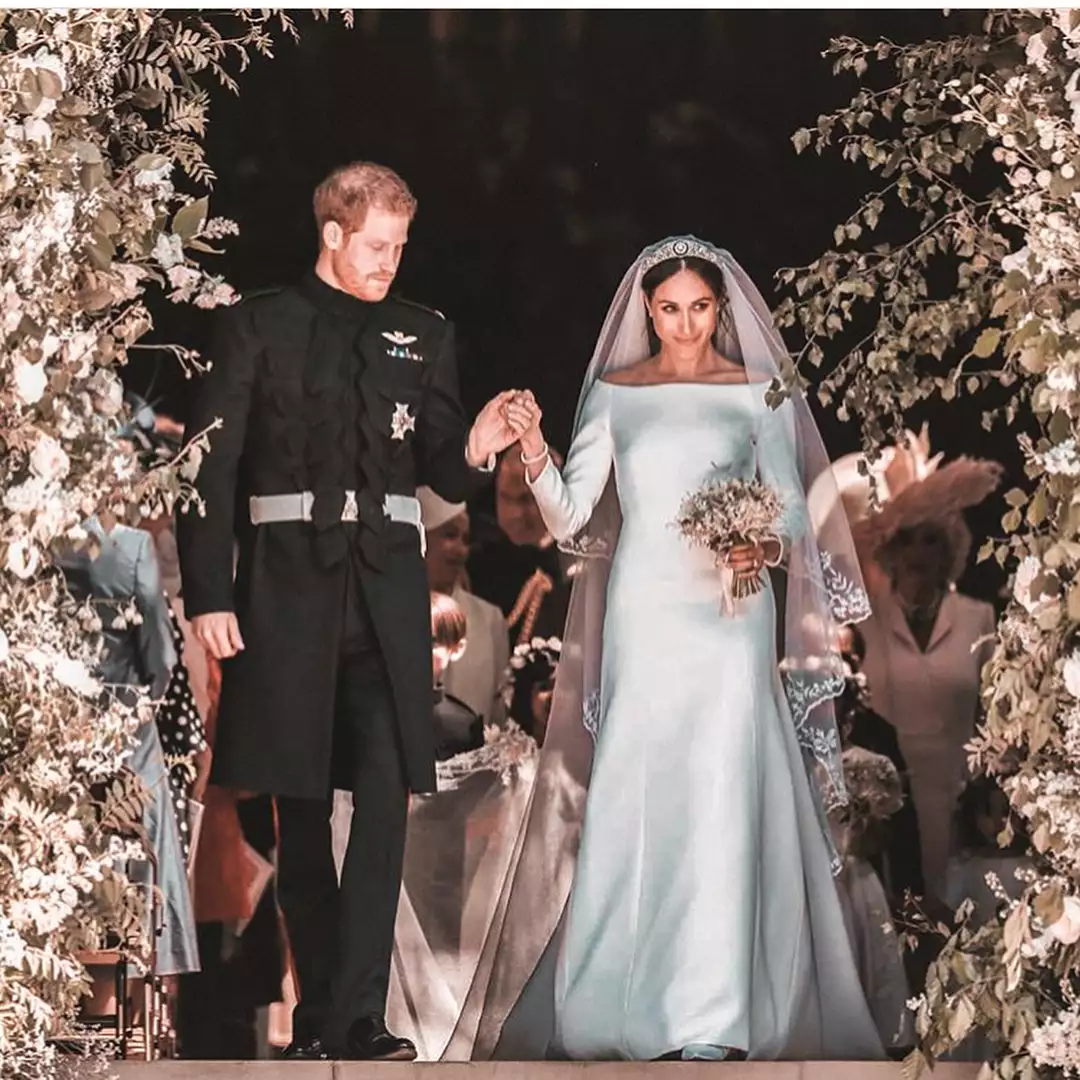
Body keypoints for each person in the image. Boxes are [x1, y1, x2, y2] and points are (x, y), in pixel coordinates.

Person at [443, 237, 884, 1062]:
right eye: (670, 308)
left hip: (730, 615)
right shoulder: (617, 394)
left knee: (723, 789)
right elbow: (570, 518)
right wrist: (534, 448)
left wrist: (762, 544)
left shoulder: (757, 390)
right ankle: (614, 1004)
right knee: (639, 789)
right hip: (646, 612)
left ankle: (714, 1016)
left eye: (700, 308)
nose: (685, 325)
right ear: (648, 310)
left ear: (721, 309)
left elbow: (793, 509)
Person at [176, 161, 530, 1061]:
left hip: (386, 598)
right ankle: (321, 1015)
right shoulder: (257, 325)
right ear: (332, 233)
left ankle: (361, 1016)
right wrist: (210, 594)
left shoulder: (424, 333)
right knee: (298, 814)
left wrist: (479, 443)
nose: (388, 262)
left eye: (400, 246)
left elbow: (442, 465)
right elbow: (209, 469)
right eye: (376, 245)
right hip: (285, 595)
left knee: (382, 802)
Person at [851, 455, 1001, 903]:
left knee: (956, 916)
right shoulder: (865, 622)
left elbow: (994, 717)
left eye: (930, 540)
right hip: (886, 809)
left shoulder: (977, 618)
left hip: (959, 805)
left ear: (949, 549)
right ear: (890, 550)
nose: (918, 553)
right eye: (907, 539)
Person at [419, 486, 510, 725]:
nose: (461, 550)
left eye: (466, 539)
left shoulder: (489, 618)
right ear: (423, 539)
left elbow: (498, 713)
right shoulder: (396, 613)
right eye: (450, 535)